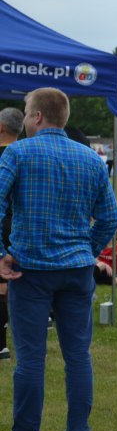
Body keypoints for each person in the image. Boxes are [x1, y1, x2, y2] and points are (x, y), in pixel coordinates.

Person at [0, 88, 117, 431]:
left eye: (26, 112)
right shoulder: (90, 158)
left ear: (37, 116)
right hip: (76, 270)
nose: (24, 118)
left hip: (30, 269)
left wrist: (1, 254)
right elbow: (110, 218)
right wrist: (86, 250)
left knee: (31, 358)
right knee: (78, 356)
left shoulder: (18, 152)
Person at [0, 107, 24, 361]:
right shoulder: (26, 153)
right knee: (16, 280)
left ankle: (1, 344)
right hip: (20, 225)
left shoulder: (7, 155)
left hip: (3, 221)